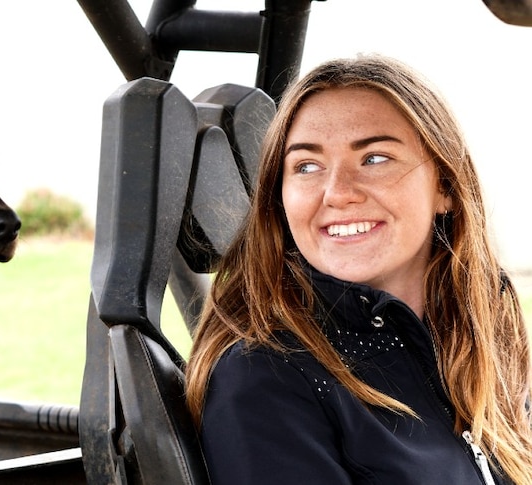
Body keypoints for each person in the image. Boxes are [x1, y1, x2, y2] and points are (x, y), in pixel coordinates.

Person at [184, 54, 532, 485]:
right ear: (280, 200)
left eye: (374, 158)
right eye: (307, 166)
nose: (338, 193)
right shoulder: (266, 378)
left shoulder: (484, 343)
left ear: (444, 185)